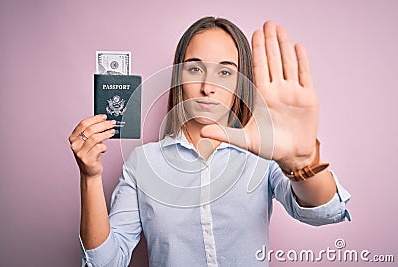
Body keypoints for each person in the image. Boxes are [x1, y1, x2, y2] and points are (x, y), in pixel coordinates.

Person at [69, 17, 351, 267]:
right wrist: (90, 177)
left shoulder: (264, 155)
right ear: (179, 76)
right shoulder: (143, 163)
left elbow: (326, 212)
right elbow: (105, 263)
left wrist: (301, 162)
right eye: (194, 69)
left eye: (225, 72)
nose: (208, 87)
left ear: (241, 82)